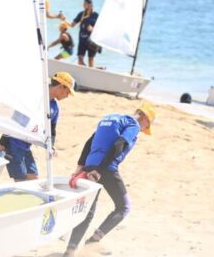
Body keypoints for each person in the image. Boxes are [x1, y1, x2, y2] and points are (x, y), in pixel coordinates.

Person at [63, 102, 156, 256]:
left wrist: (80, 166)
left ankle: (70, 251)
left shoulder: (110, 118)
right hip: (106, 168)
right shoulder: (133, 124)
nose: (143, 129)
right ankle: (93, 241)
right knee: (124, 207)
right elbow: (119, 144)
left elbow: (89, 143)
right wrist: (100, 170)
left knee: (88, 210)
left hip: (89, 165)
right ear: (145, 118)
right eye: (147, 126)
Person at [0, 72, 75, 181]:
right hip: (13, 144)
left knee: (34, 179)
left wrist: (51, 146)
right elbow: (14, 119)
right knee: (21, 181)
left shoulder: (55, 108)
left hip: (26, 146)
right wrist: (2, 143)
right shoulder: (35, 97)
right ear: (61, 86)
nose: (67, 96)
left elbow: (52, 130)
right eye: (67, 92)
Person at [70, 0, 100, 67]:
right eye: (83, 4)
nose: (83, 5)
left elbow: (100, 28)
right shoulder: (81, 14)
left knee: (90, 60)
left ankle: (92, 72)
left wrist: (92, 29)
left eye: (85, 4)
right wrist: (64, 19)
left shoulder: (96, 15)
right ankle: (83, 70)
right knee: (80, 60)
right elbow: (72, 25)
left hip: (92, 42)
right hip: (82, 41)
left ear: (90, 5)